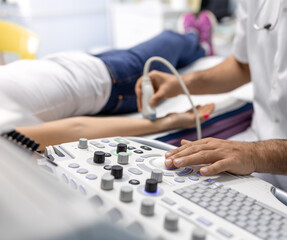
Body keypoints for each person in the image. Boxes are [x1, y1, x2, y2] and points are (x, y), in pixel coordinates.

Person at [136, 2, 287, 238]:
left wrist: (257, 154)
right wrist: (183, 84)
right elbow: (243, 64)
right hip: (255, 146)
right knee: (176, 209)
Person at [0, 12, 216, 151]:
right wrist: (169, 121)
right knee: (170, 39)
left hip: (78, 61)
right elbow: (77, 127)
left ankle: (199, 49)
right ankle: (197, 39)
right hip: (111, 81)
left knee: (172, 53)